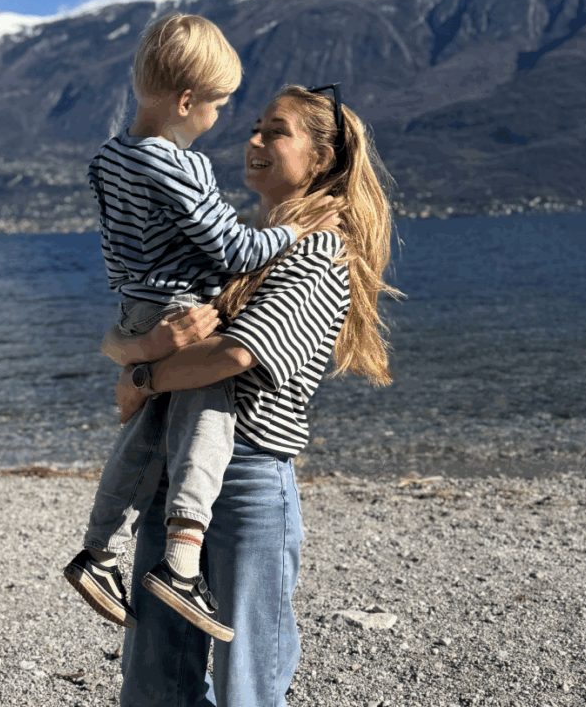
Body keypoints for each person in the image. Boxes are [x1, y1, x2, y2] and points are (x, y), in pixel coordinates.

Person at [106, 84, 401, 706]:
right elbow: (149, 328)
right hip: (178, 469)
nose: (255, 140)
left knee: (248, 681)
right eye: (256, 127)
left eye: (277, 130)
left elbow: (237, 355)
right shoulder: (242, 246)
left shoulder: (321, 251)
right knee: (154, 674)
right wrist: (137, 355)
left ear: (321, 159)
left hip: (246, 480)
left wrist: (144, 378)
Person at [63, 14, 325, 642]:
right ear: (186, 100)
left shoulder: (105, 161)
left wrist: (137, 350)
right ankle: (181, 561)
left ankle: (97, 549)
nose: (221, 121)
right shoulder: (184, 167)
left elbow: (115, 249)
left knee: (146, 430)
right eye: (217, 105)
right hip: (185, 310)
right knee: (211, 422)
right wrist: (293, 232)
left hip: (134, 305)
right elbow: (233, 249)